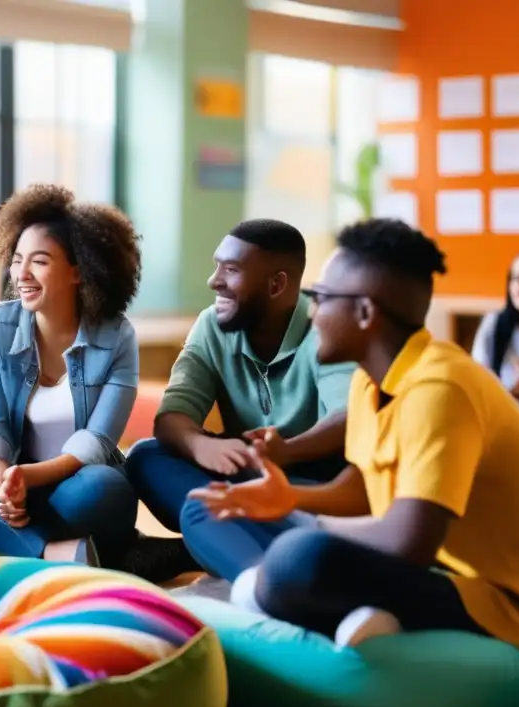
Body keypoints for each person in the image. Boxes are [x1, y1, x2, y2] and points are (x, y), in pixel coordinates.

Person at [194, 218, 519, 653]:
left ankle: (329, 605)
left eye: (321, 298)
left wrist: (312, 528)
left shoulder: (441, 387)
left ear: (365, 313)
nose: (312, 312)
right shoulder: (371, 380)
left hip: (493, 600)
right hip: (433, 572)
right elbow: (364, 487)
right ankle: (366, 617)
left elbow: (410, 540)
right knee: (261, 532)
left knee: (300, 556)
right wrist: (291, 499)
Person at [0, 184, 142, 566]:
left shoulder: (117, 336)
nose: (21, 274)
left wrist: (29, 479)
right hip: (13, 488)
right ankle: (58, 552)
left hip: (75, 489)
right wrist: (5, 485)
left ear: (78, 271)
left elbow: (98, 441)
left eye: (39, 261)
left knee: (108, 485)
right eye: (17, 259)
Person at [125, 219, 355, 581]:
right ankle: (244, 542)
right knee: (144, 456)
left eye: (231, 270)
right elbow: (173, 414)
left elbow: (348, 417)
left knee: (198, 511)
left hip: (311, 483)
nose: (214, 280)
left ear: (277, 284)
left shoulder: (327, 326)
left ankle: (205, 550)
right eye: (218, 266)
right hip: (243, 472)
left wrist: (288, 451)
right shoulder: (211, 324)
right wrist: (200, 445)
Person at [471, 247, 519, 418]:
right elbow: (477, 381)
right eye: (516, 279)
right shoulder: (495, 324)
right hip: (501, 422)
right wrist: (518, 392)